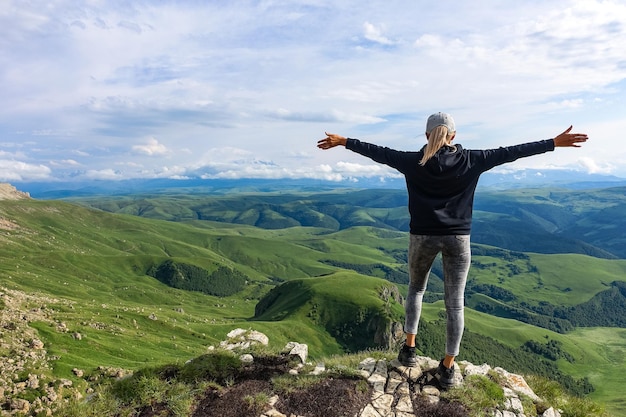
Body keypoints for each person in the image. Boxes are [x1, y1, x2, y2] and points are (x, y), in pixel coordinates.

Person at [317, 112, 587, 388]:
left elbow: (378, 152)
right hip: (458, 239)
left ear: (426, 135)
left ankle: (409, 349)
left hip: (422, 236)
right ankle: (447, 366)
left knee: (416, 290)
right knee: (455, 303)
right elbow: (513, 152)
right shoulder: (472, 159)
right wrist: (554, 142)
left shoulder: (412, 162)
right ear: (454, 136)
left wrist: (344, 141)